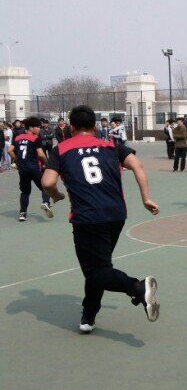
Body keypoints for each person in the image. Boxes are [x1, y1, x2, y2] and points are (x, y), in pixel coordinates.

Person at [41, 105, 160, 333]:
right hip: (116, 214)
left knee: (95, 271)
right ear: (95, 127)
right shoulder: (111, 146)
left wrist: (56, 196)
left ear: (71, 127)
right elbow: (137, 165)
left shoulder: (61, 149)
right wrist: (146, 198)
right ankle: (89, 316)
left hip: (87, 218)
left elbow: (47, 182)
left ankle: (138, 288)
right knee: (100, 267)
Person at [8, 116, 54, 221]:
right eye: (38, 127)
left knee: (25, 192)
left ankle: (22, 213)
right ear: (31, 128)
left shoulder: (18, 137)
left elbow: (9, 151)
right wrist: (47, 163)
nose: (39, 129)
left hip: (22, 170)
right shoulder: (35, 138)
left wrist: (17, 161)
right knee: (45, 187)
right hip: (34, 168)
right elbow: (41, 154)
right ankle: (46, 203)